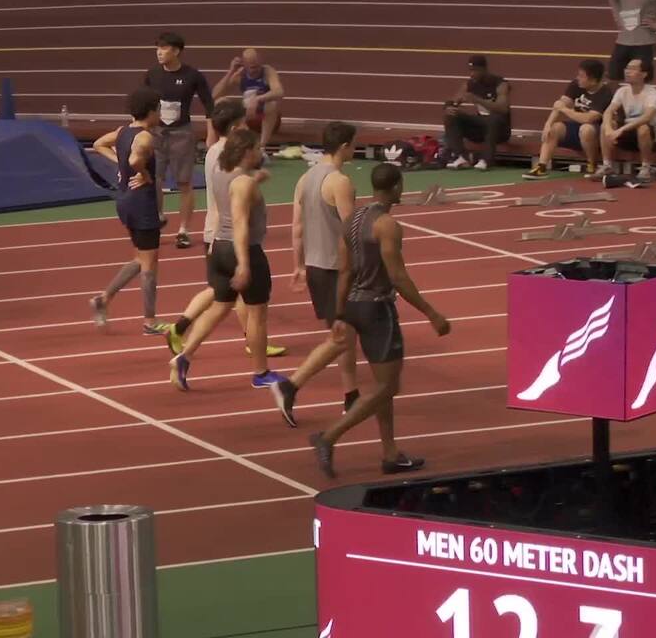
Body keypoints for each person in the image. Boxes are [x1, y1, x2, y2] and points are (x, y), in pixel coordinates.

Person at [307, 163, 451, 478]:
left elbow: (345, 270)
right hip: (377, 310)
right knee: (388, 387)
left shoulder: (353, 219)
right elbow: (398, 276)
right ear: (397, 186)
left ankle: (390, 453)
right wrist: (431, 313)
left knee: (382, 385)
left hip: (354, 306)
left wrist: (339, 313)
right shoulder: (387, 225)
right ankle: (329, 436)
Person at [166, 98, 287, 358]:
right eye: (243, 124)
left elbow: (231, 188)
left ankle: (183, 333)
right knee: (240, 297)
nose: (247, 129)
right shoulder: (229, 158)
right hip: (227, 234)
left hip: (216, 232)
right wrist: (255, 180)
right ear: (234, 128)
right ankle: (253, 342)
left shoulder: (213, 152)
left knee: (221, 297)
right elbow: (237, 199)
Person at [269, 122, 361, 428]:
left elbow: (297, 227)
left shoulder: (305, 178)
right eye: (353, 145)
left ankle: (351, 395)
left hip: (315, 267)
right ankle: (290, 386)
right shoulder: (340, 182)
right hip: (337, 269)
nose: (354, 149)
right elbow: (351, 232)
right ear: (345, 146)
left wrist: (298, 265)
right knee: (340, 337)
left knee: (345, 335)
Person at [89, 87, 167, 334]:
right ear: (151, 111)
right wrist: (143, 173)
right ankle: (150, 322)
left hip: (125, 201)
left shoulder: (123, 131)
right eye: (159, 109)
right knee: (149, 266)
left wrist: (122, 164)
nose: (160, 114)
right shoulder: (145, 137)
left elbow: (99, 144)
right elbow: (135, 160)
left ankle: (103, 299)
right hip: (142, 203)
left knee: (140, 258)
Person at [143, 32, 215, 250]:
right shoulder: (152, 74)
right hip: (156, 133)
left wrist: (211, 134)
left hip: (182, 133)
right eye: (157, 48)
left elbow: (209, 104)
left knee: (184, 182)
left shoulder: (192, 75)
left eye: (163, 48)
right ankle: (158, 217)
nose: (159, 52)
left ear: (176, 51)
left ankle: (183, 230)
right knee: (153, 179)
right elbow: (143, 102)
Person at [525, 59, 613, 180]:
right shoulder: (576, 85)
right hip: (576, 128)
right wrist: (548, 123)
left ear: (593, 80)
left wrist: (565, 110)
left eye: (582, 76)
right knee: (555, 128)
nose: (578, 78)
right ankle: (542, 166)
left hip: (595, 133)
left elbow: (589, 118)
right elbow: (561, 104)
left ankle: (592, 164)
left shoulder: (605, 93)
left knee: (586, 129)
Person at [599, 58, 656, 181]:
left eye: (633, 69)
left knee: (643, 128)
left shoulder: (653, 94)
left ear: (644, 74)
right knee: (606, 125)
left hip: (653, 136)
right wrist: (608, 129)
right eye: (627, 68)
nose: (627, 71)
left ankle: (646, 167)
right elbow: (608, 111)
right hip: (630, 133)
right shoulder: (622, 91)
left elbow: (646, 117)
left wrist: (621, 130)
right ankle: (607, 165)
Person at [442, 54, 511, 171]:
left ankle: (486, 160)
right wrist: (448, 107)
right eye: (470, 70)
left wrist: (478, 100)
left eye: (476, 70)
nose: (472, 74)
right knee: (451, 116)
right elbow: (453, 101)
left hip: (500, 131)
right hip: (480, 129)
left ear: (484, 69)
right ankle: (461, 157)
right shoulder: (470, 84)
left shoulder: (500, 84)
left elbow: (503, 108)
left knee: (493, 119)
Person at [213, 48, 285, 150]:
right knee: (219, 102)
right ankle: (222, 143)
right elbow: (215, 94)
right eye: (252, 67)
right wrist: (231, 71)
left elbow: (279, 91)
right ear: (244, 65)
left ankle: (262, 146)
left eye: (258, 66)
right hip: (247, 116)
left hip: (265, 116)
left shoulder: (267, 71)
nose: (256, 70)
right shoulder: (240, 75)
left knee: (272, 104)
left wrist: (258, 99)